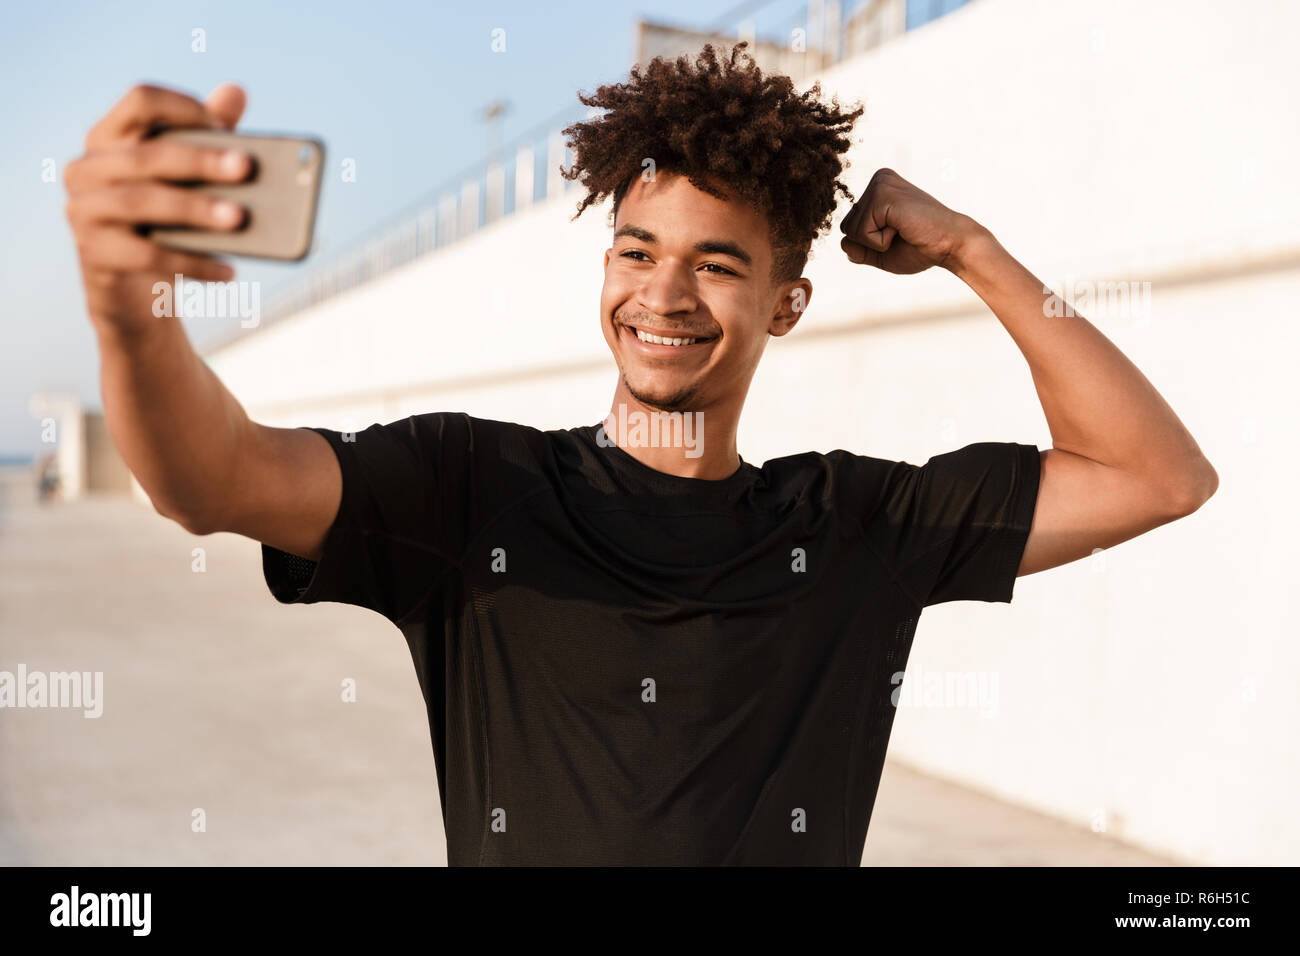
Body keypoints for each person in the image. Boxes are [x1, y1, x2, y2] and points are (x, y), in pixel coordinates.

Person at [64, 43, 1217, 865]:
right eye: (634, 250)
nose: (662, 293)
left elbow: (1155, 474)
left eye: (716, 263)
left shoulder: (856, 526)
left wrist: (971, 247)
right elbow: (206, 479)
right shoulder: (473, 491)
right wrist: (128, 309)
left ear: (788, 301)